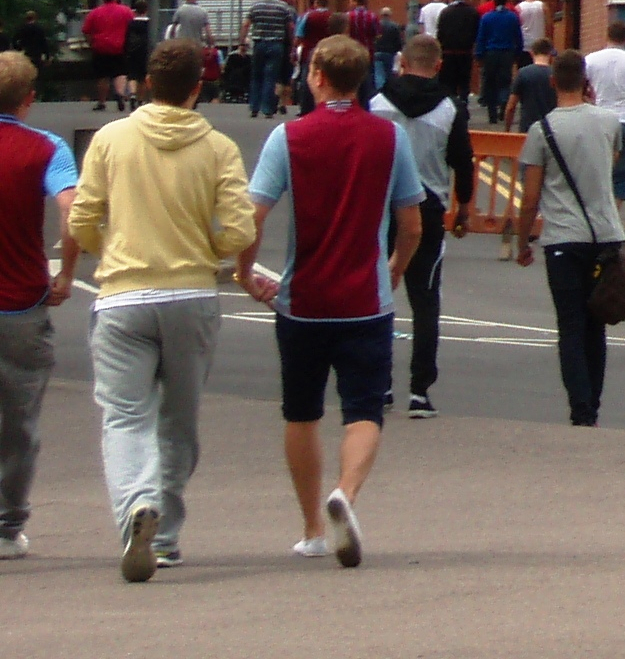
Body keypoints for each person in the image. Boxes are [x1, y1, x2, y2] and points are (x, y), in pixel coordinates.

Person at [64, 38, 258, 580]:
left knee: (125, 416)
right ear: (200, 87)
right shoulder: (218, 147)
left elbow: (81, 219)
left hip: (124, 295)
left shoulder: (110, 139)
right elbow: (241, 230)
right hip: (192, 295)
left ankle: (135, 509)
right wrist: (206, 253)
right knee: (178, 422)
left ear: (147, 83)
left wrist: (114, 251)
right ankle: (166, 537)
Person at [244, 36, 421, 566]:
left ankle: (312, 529)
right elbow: (411, 223)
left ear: (317, 76)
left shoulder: (288, 137)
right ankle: (345, 491)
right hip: (366, 299)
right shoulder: (389, 138)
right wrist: (396, 267)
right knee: (364, 409)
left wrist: (240, 270)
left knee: (301, 412)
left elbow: (253, 215)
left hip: (303, 300)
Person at [514, 51, 625, 427]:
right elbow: (607, 166)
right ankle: (593, 402)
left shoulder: (540, 131)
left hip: (563, 240)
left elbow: (530, 198)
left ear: (552, 83)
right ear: (586, 81)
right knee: (597, 325)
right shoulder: (609, 122)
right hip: (606, 238)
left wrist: (522, 242)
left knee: (571, 326)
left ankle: (581, 409)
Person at [0, 51, 80, 560]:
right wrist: (66, 271)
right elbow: (72, 210)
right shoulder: (47, 148)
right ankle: (7, 525)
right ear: (29, 100)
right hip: (21, 301)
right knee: (18, 419)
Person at [370, 35, 472, 417]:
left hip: (381, 207)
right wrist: (463, 209)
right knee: (425, 300)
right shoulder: (450, 108)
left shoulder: (377, 103)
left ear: (401, 62)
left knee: (378, 297)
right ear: (438, 65)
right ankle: (420, 391)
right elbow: (463, 160)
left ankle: (379, 385)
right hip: (428, 206)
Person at [584, 19, 625, 204]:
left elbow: (579, 89)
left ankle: (596, 217)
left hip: (597, 121)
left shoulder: (590, 60)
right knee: (620, 178)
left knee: (596, 173)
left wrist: (589, 100)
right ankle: (613, 220)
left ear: (607, 36)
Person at [245, 0, 297, 117]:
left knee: (256, 75)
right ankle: (267, 109)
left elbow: (246, 24)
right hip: (276, 45)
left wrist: (242, 43)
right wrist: (292, 45)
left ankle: (254, 107)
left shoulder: (256, 6)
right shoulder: (283, 7)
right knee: (271, 77)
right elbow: (290, 27)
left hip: (259, 43)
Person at [81, 0, 138, 112]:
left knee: (102, 76)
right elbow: (134, 26)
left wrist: (91, 43)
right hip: (120, 47)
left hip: (101, 47)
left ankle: (102, 102)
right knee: (121, 73)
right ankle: (119, 93)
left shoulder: (95, 12)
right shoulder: (126, 11)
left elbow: (86, 30)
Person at [473, 0, 523, 121]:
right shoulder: (512, 17)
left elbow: (481, 37)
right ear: (506, 2)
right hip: (507, 53)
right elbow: (518, 36)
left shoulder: (487, 17)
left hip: (491, 53)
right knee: (505, 81)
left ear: (494, 2)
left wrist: (479, 54)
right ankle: (503, 105)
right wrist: (518, 52)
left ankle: (492, 114)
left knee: (490, 82)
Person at [433, 0, 478, 109]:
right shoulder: (472, 12)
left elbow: (440, 33)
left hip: (448, 53)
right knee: (464, 82)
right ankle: (463, 104)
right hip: (465, 52)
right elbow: (475, 31)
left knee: (449, 83)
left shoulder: (445, 12)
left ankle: (450, 106)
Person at [506, 39, 559, 132]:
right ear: (550, 54)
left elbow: (511, 106)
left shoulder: (523, 73)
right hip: (552, 129)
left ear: (532, 53)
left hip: (528, 129)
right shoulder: (556, 75)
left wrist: (507, 129)